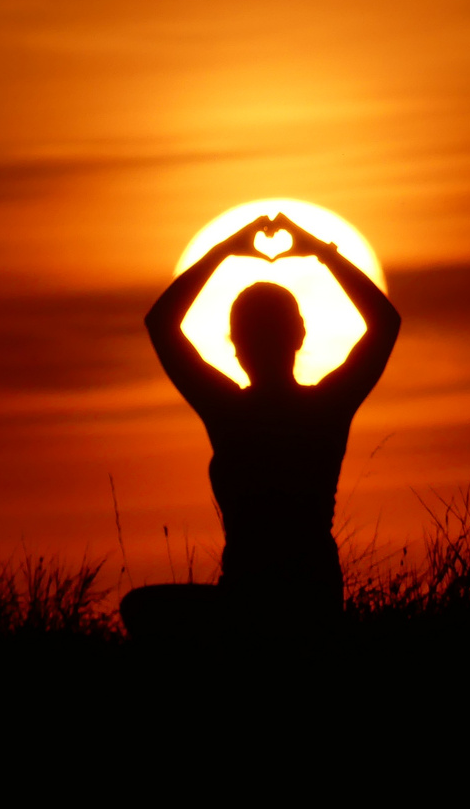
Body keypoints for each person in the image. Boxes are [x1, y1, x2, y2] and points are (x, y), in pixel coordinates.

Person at [121, 212, 400, 636]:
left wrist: (224, 250)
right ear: (301, 335)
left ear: (234, 343)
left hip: (259, 602)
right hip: (311, 598)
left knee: (143, 609)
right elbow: (385, 323)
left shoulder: (227, 411)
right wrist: (320, 252)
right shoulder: (327, 406)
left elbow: (161, 323)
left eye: (244, 333)